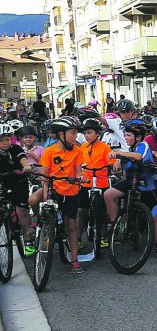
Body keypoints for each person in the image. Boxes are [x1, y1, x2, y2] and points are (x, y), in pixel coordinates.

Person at [28, 117, 86, 274]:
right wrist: (46, 195)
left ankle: (74, 260)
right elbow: (44, 177)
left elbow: (79, 172)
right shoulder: (50, 151)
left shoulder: (77, 151)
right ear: (61, 134)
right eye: (73, 133)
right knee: (33, 199)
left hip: (70, 191)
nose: (76, 136)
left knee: (71, 226)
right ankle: (39, 221)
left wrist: (80, 177)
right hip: (53, 188)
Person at [104, 119, 157, 257]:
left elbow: (138, 157)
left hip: (147, 185)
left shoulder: (143, 145)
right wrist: (119, 162)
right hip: (132, 183)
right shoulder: (131, 147)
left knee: (155, 215)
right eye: (125, 135)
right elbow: (128, 158)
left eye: (128, 136)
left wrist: (119, 154)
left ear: (138, 137)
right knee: (108, 194)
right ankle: (118, 226)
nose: (125, 138)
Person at [77, 119, 114, 249]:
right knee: (81, 210)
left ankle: (103, 236)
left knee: (102, 211)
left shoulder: (104, 147)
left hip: (101, 181)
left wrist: (113, 166)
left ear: (97, 133)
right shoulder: (83, 147)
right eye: (85, 133)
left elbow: (112, 161)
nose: (87, 135)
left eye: (90, 133)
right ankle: (78, 238)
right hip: (86, 182)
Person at [0, 124, 34, 256]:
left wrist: (26, 167)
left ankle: (28, 241)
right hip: (3, 183)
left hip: (18, 182)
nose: (5, 143)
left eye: (7, 139)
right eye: (1, 140)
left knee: (22, 211)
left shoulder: (16, 149)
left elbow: (23, 160)